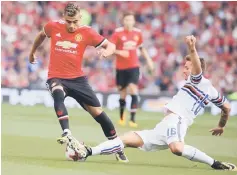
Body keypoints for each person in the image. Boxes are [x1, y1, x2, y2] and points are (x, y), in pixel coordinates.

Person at [70, 35, 236, 171]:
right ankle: (88, 151)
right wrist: (221, 126)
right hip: (163, 127)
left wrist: (192, 49)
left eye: (187, 67)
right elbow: (226, 108)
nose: (184, 70)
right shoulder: (211, 90)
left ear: (194, 68)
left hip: (176, 120)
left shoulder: (198, 81)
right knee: (126, 139)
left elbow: (197, 68)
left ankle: (215, 164)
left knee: (177, 148)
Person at [29, 3, 128, 162]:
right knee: (57, 93)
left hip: (78, 80)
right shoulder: (53, 26)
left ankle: (117, 147)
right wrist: (32, 53)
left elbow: (110, 45)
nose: (72, 25)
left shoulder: (87, 32)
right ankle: (67, 133)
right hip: (56, 76)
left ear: (80, 18)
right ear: (63, 18)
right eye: (69, 21)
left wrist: (107, 52)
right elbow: (41, 35)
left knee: (98, 114)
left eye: (75, 21)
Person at [110, 12, 154, 128]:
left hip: (134, 66)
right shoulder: (117, 33)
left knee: (133, 89)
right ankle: (121, 117)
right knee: (122, 93)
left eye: (131, 20)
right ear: (123, 21)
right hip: (120, 68)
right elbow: (110, 48)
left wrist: (149, 60)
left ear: (134, 21)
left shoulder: (138, 33)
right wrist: (120, 52)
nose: (129, 22)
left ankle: (133, 119)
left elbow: (141, 48)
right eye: (126, 20)